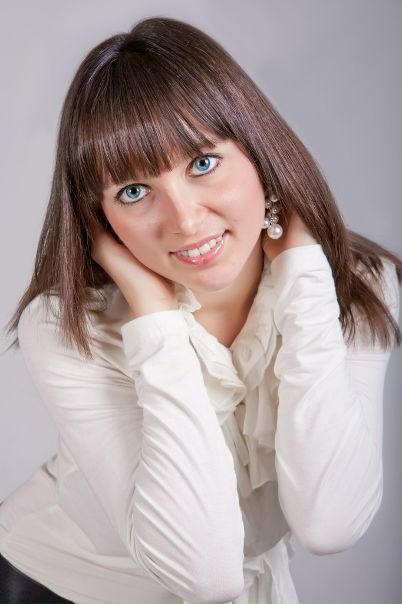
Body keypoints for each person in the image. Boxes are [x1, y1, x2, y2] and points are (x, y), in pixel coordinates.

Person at [0, 15, 401, 604]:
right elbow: (206, 574)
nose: (185, 221)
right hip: (59, 585)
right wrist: (154, 316)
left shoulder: (356, 286)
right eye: (134, 192)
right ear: (100, 218)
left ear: (260, 152)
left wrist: (304, 273)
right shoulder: (67, 326)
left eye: (203, 163)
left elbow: (331, 524)